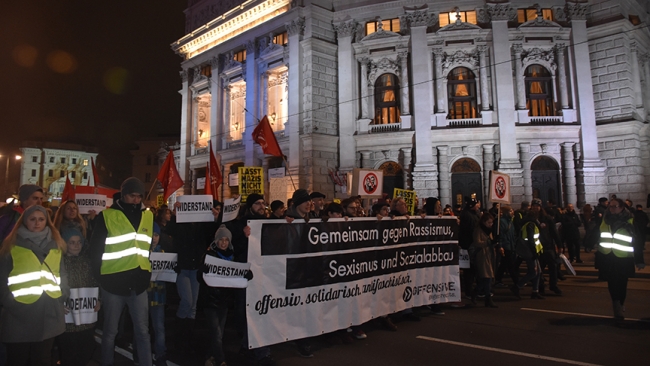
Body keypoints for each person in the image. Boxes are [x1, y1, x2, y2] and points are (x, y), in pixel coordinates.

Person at [87, 177, 154, 366]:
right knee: (110, 332)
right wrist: (101, 279)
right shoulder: (107, 216)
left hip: (138, 283)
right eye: (133, 196)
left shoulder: (148, 215)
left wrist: (145, 273)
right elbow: (95, 250)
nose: (136, 199)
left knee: (142, 332)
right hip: (113, 284)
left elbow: (145, 247)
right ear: (124, 195)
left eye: (139, 196)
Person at [0, 204, 68, 365]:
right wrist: (9, 301)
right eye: (32, 219)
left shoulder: (56, 245)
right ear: (24, 222)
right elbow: (2, 279)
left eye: (41, 219)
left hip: (48, 311)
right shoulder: (11, 246)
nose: (37, 223)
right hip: (19, 313)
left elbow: (62, 273)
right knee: (17, 359)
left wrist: (63, 293)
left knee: (42, 359)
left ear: (47, 222)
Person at [166, 200, 222, 355]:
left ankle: (188, 340)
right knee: (187, 301)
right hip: (182, 268)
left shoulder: (201, 225)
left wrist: (215, 217)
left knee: (193, 306)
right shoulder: (180, 224)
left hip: (195, 268)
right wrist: (175, 215)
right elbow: (169, 229)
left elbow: (212, 233)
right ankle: (179, 338)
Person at [595, 198, 645, 321]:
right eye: (610, 206)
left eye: (615, 206)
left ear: (622, 207)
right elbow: (597, 234)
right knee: (611, 282)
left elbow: (637, 241)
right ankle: (616, 304)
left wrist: (639, 260)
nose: (612, 209)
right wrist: (589, 243)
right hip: (607, 257)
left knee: (622, 283)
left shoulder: (630, 221)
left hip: (623, 258)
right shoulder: (605, 220)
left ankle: (620, 302)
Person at [58, 228, 100, 366]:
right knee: (68, 352)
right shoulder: (59, 263)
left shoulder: (87, 262)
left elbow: (95, 283)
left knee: (86, 349)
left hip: (86, 319)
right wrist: (57, 303)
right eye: (72, 242)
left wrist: (99, 300)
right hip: (67, 321)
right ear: (65, 244)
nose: (76, 245)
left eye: (79, 242)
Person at [202, 225, 237, 366]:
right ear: (216, 241)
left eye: (226, 240)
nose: (223, 242)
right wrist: (202, 270)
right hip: (210, 301)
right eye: (221, 239)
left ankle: (209, 356)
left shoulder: (233, 257)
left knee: (218, 333)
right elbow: (200, 277)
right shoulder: (209, 256)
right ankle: (221, 360)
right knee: (216, 333)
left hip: (224, 300)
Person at [147, 223, 173, 366]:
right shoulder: (141, 253)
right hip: (144, 293)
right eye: (151, 235)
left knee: (159, 326)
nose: (154, 238)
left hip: (158, 294)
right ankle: (140, 352)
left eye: (156, 235)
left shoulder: (163, 253)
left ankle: (161, 354)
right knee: (143, 326)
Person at [511, 200, 545, 300]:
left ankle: (535, 291)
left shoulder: (528, 223)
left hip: (531, 251)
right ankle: (517, 286)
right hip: (530, 252)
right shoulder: (531, 224)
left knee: (538, 271)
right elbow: (531, 240)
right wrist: (534, 251)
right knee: (533, 272)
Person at [470, 213, 498, 307]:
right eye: (489, 222)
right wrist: (489, 242)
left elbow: (491, 242)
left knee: (485, 278)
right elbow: (477, 242)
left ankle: (474, 294)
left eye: (492, 222)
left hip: (489, 255)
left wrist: (495, 242)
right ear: (484, 222)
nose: (491, 224)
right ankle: (488, 298)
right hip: (482, 255)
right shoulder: (478, 230)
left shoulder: (489, 231)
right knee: (487, 277)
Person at [459, 196, 481, 299]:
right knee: (470, 270)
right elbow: (471, 230)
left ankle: (472, 290)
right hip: (469, 245)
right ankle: (469, 291)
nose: (478, 205)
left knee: (473, 269)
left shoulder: (473, 214)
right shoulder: (467, 215)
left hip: (472, 245)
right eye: (476, 204)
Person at [495, 205, 518, 288]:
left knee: (504, 264)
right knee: (510, 264)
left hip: (510, 245)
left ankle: (498, 279)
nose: (512, 212)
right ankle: (517, 282)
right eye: (510, 211)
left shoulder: (510, 221)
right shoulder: (502, 222)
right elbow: (500, 235)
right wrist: (501, 246)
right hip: (506, 245)